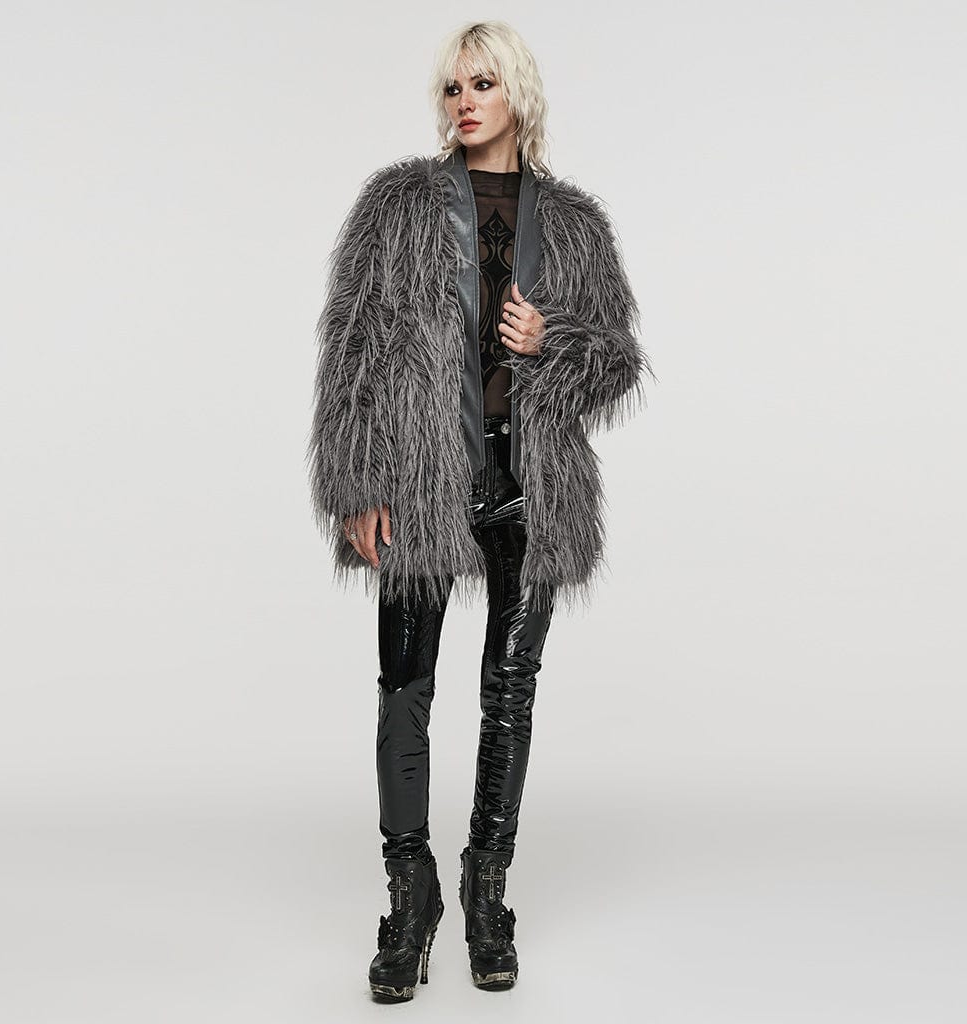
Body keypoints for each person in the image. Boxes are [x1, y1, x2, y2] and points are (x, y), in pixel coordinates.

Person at [306, 20, 655, 1001]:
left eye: (483, 83)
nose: (464, 101)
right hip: (421, 479)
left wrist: (555, 338)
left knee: (509, 693)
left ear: (518, 94)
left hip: (530, 482)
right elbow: (352, 348)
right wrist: (357, 483)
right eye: (453, 87)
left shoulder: (573, 224)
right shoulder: (397, 206)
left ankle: (486, 887)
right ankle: (409, 895)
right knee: (403, 687)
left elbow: (617, 361)